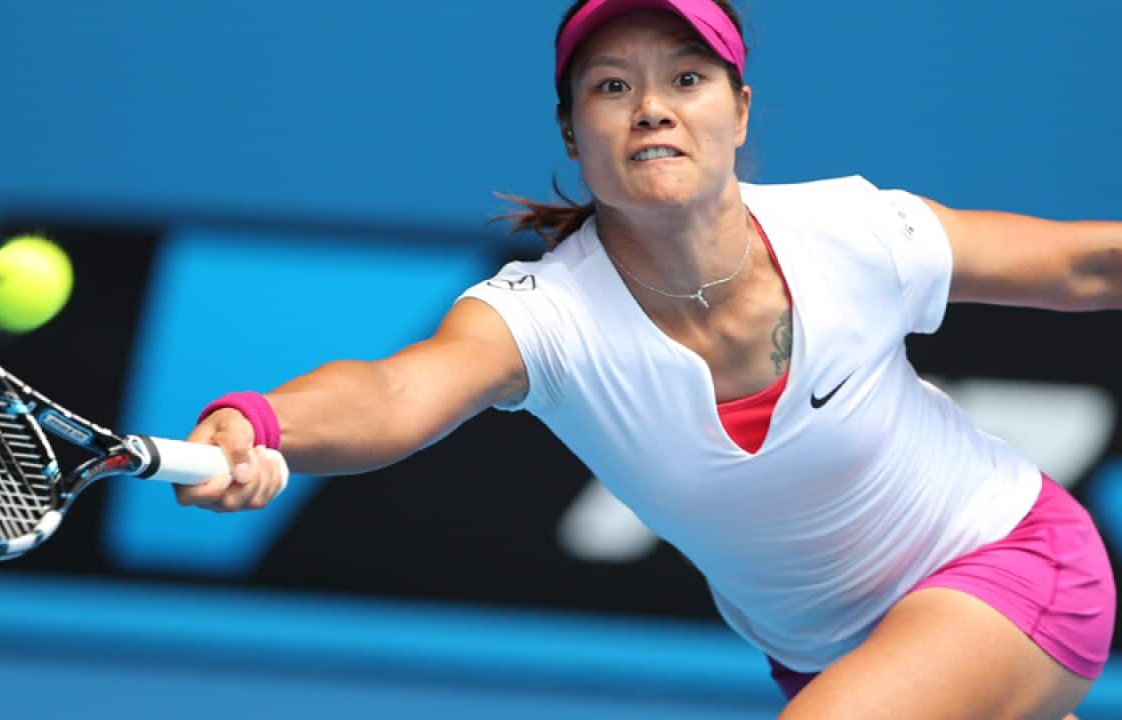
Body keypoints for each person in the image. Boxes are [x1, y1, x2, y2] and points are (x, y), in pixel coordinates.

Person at [176, 1, 1116, 717]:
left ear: (740, 112)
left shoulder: (857, 231)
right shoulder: (544, 317)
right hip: (818, 654)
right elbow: (394, 391)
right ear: (572, 131)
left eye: (687, 79)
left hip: (1011, 558)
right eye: (612, 86)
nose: (652, 109)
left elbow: (1079, 265)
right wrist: (264, 425)